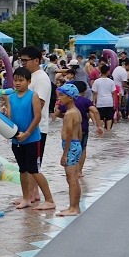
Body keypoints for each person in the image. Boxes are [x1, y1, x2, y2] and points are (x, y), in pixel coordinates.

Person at [3, 67, 56, 211]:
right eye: (15, 80)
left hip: (32, 139)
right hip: (17, 140)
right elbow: (10, 118)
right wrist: (5, 110)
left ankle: (50, 200)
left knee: (34, 170)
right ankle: (26, 198)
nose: (17, 83)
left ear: (29, 81)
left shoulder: (33, 95)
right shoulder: (11, 97)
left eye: (21, 80)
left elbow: (38, 116)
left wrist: (27, 133)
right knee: (22, 170)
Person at [56, 83, 84, 217]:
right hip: (75, 144)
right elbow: (79, 133)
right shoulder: (76, 112)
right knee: (73, 178)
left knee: (71, 178)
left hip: (70, 146)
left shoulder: (69, 114)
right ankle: (74, 207)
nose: (59, 98)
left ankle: (73, 208)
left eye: (62, 95)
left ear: (70, 98)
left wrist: (65, 154)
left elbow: (68, 134)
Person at [91, 70, 117, 134]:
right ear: (107, 72)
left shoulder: (96, 81)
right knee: (109, 118)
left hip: (100, 102)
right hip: (109, 102)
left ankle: (101, 131)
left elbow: (94, 93)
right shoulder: (111, 81)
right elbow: (113, 93)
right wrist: (114, 103)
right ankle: (108, 131)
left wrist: (94, 102)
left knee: (100, 118)